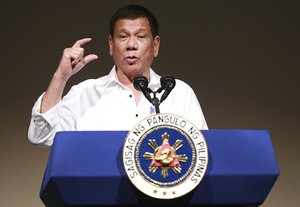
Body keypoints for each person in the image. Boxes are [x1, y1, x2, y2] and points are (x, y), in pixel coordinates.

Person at [28, 4, 208, 146]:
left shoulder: (179, 93)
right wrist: (61, 76)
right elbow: (40, 137)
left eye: (140, 36)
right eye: (123, 37)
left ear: (155, 45)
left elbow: (202, 151)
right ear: (111, 45)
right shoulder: (84, 93)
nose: (131, 45)